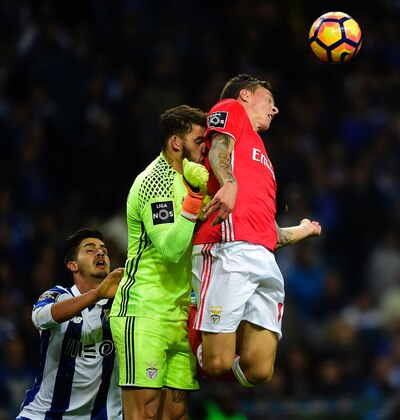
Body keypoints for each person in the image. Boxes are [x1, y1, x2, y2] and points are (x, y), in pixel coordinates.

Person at [189, 73, 322, 387]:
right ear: (246, 95)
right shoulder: (231, 109)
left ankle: (209, 352)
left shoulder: (261, 155)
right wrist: (229, 183)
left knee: (260, 370)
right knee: (218, 360)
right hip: (226, 247)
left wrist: (303, 230)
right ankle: (184, 330)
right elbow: (219, 145)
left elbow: (269, 232)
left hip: (264, 258)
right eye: (270, 100)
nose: (275, 109)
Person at [110, 105, 210, 419]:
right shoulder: (155, 182)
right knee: (146, 414)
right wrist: (195, 199)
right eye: (198, 140)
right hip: (144, 312)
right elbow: (170, 250)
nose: (204, 147)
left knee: (175, 415)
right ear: (176, 143)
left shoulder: (196, 181)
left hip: (180, 314)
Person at [17, 228, 125, 419]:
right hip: (44, 414)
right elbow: (40, 318)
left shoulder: (124, 303)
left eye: (104, 250)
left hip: (104, 415)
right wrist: (96, 294)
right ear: (72, 265)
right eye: (90, 249)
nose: (100, 252)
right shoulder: (58, 295)